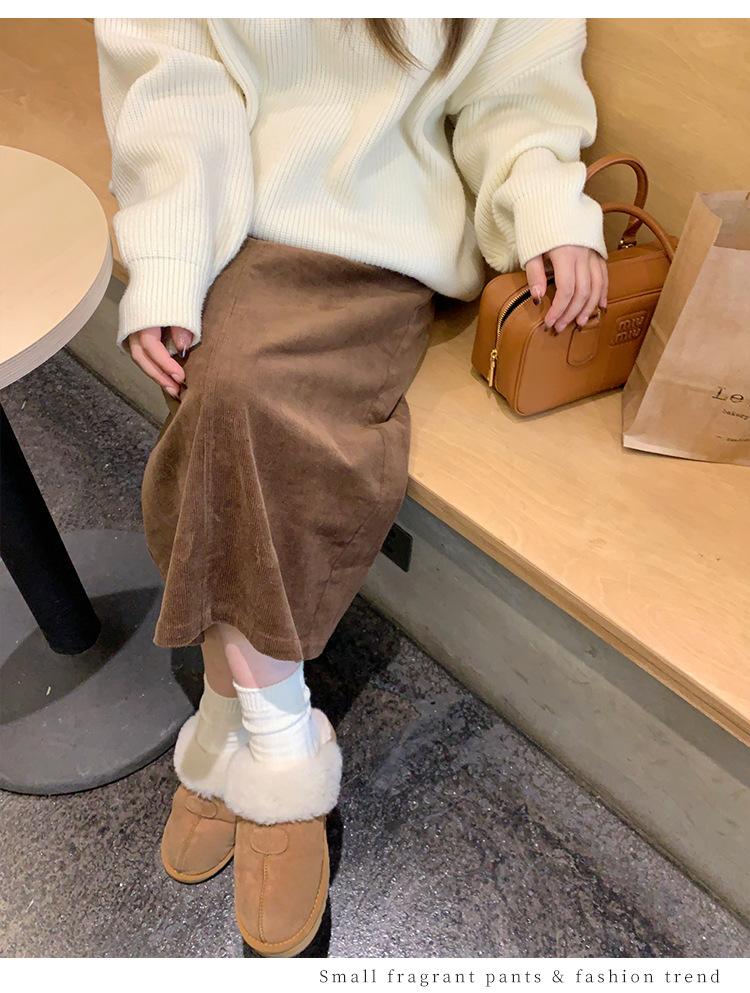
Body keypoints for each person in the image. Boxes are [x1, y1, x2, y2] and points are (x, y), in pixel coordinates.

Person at [94, 17, 608, 956]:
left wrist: (548, 205)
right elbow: (172, 86)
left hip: (385, 236)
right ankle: (275, 738)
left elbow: (517, 88)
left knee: (240, 401)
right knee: (222, 395)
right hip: (233, 216)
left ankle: (238, 722)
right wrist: (167, 258)